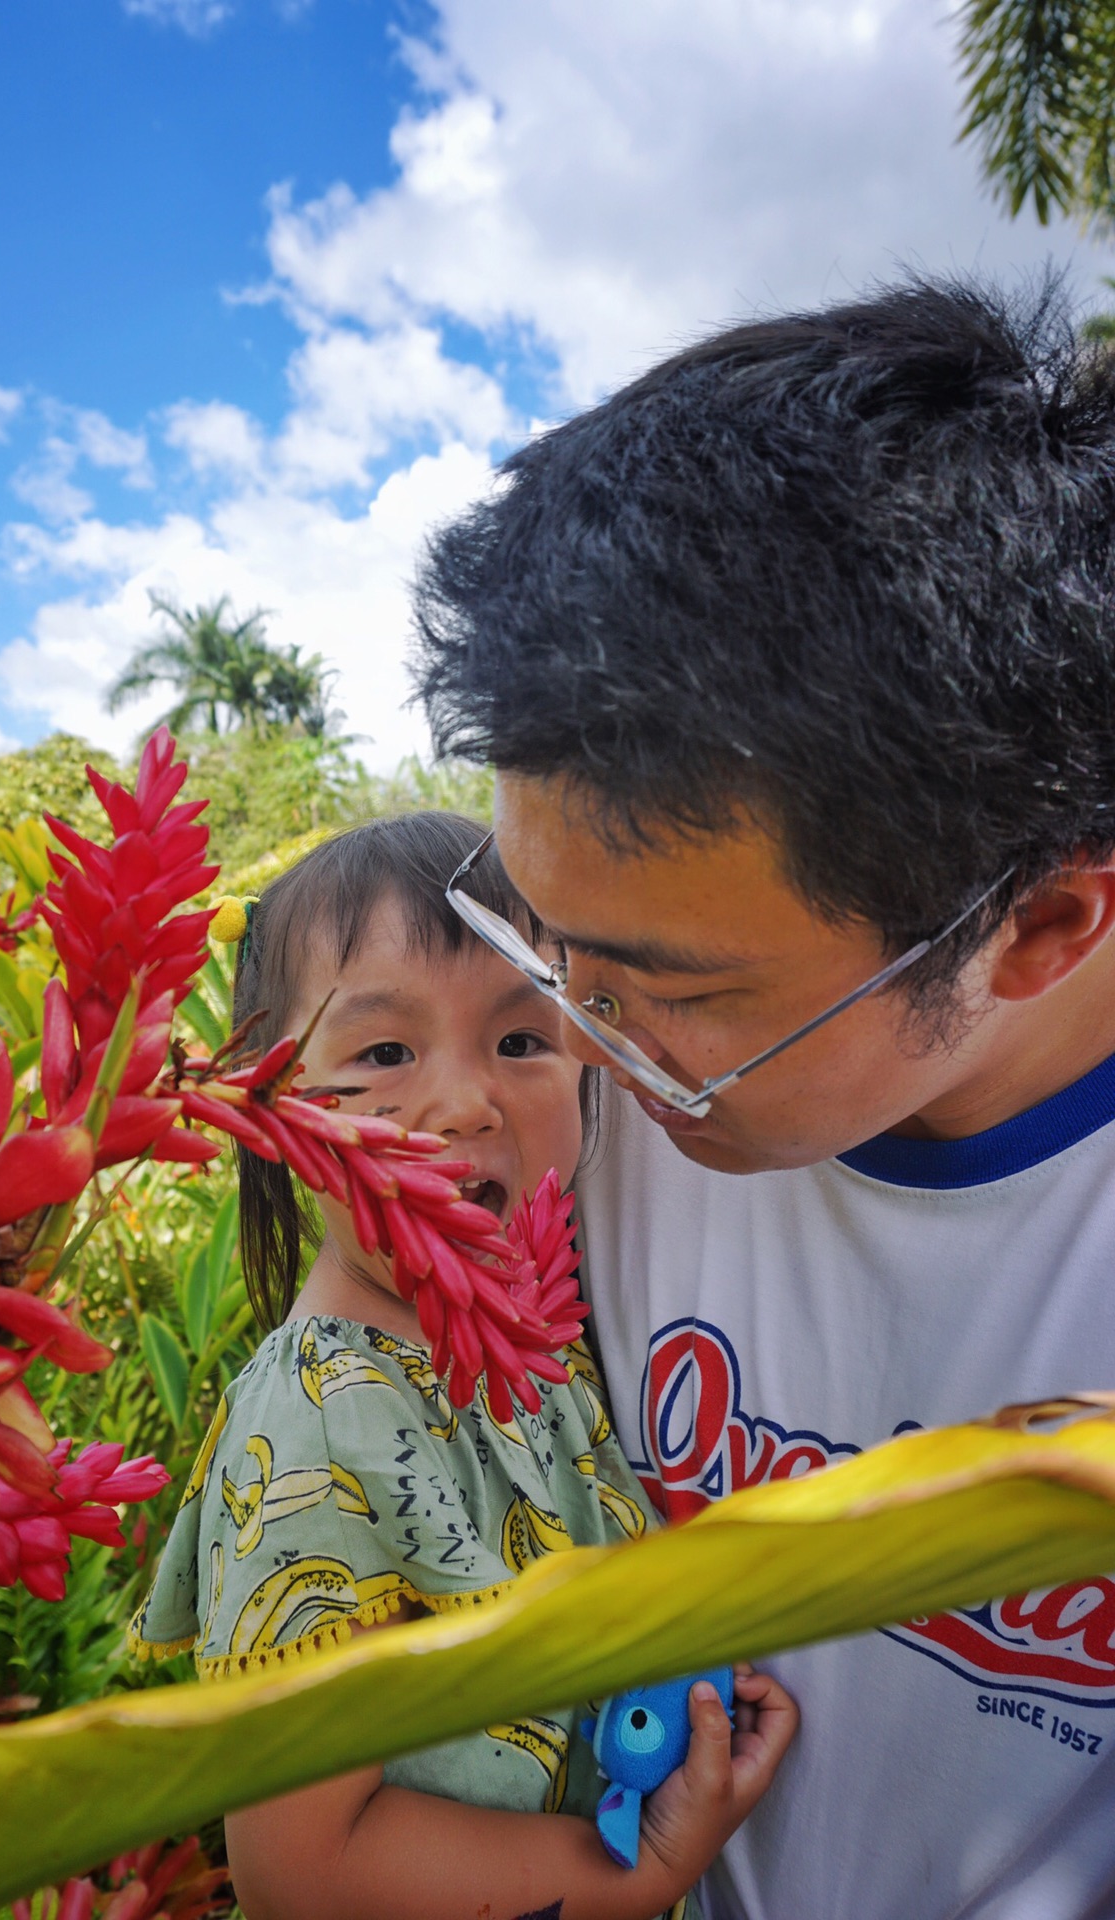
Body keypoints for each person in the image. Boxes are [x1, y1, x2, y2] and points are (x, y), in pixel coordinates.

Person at [414, 276, 1115, 1920]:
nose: (569, 1030)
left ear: (1038, 928)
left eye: (673, 988)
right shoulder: (589, 1114)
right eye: (534, 931)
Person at [129, 813, 796, 1920]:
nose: (463, 1102)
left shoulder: (531, 1341)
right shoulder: (321, 1424)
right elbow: (306, 1871)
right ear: (268, 1105)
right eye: (384, 1052)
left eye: (521, 1040)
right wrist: (653, 1866)